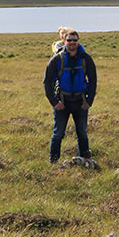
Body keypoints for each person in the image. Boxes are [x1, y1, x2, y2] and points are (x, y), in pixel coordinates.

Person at [43, 30, 97, 163]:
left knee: (82, 133)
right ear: (64, 41)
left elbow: (93, 80)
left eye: (75, 40)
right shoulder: (57, 59)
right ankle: (53, 162)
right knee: (58, 133)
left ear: (78, 41)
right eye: (69, 40)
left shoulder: (86, 59)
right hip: (62, 102)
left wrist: (89, 101)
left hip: (80, 102)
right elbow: (47, 81)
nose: (72, 43)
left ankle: (85, 160)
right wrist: (54, 102)